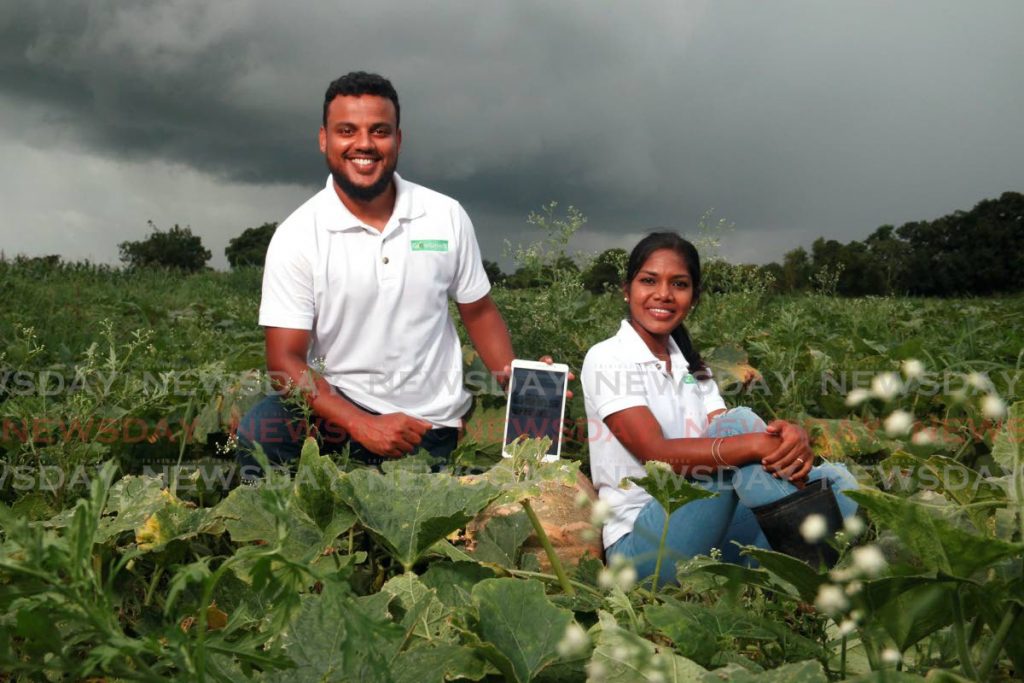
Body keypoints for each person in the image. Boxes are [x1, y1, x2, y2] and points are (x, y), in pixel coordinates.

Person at [236, 71, 519, 480]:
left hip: (427, 424)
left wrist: (523, 385)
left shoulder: (445, 216)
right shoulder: (297, 235)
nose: (364, 144)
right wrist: (360, 423)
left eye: (379, 131)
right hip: (335, 415)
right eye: (347, 131)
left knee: (421, 531)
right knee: (261, 434)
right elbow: (284, 360)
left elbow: (479, 312)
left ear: (398, 140)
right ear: (324, 139)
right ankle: (286, 536)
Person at [581, 232, 857, 584]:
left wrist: (788, 438)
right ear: (627, 288)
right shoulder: (608, 358)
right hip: (642, 548)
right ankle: (815, 565)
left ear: (693, 298)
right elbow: (656, 453)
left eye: (678, 284)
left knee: (839, 482)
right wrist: (759, 442)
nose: (663, 294)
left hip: (702, 534)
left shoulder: (693, 369)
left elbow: (726, 432)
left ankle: (790, 562)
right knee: (741, 425)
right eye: (648, 280)